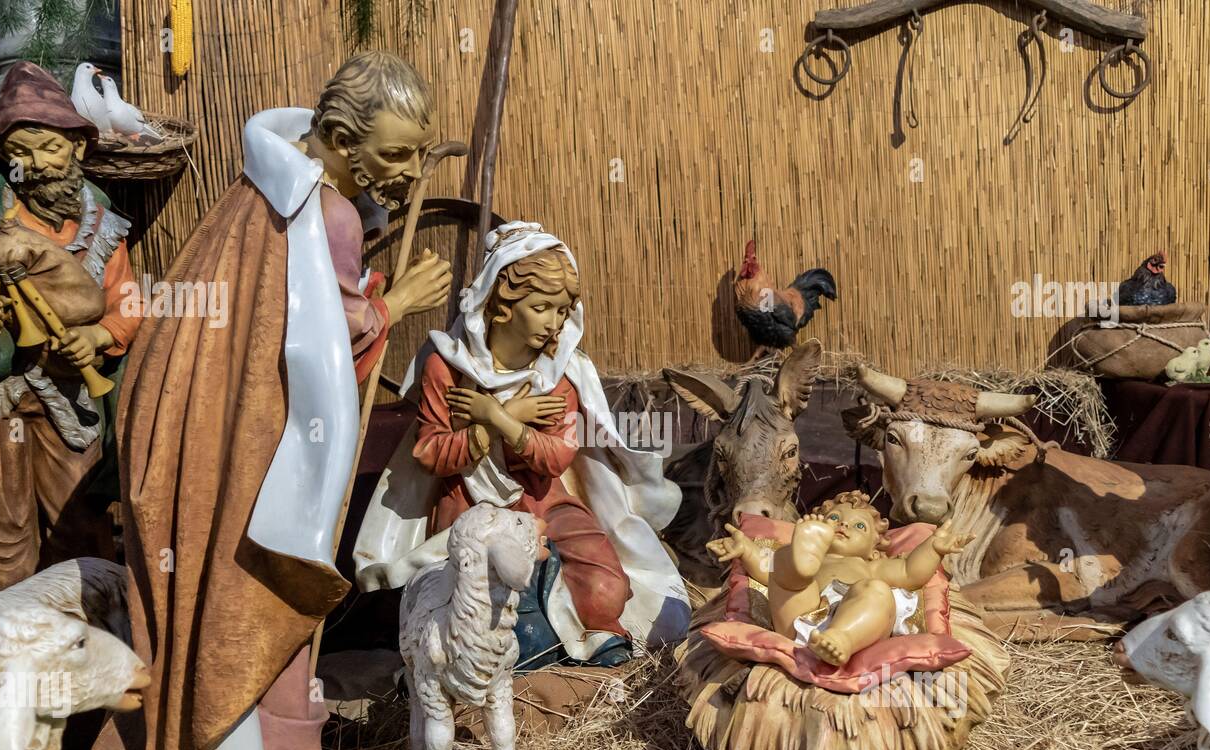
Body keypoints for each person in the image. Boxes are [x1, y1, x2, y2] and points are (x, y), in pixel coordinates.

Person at [74, 52, 452, 750]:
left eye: (420, 155)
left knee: (203, 598)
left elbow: (283, 306)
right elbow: (322, 338)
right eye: (394, 156)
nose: (411, 173)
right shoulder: (327, 215)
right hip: (251, 452)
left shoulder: (264, 190)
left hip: (192, 433)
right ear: (343, 140)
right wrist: (397, 304)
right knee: (267, 593)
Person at [355, 222, 689, 662]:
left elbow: (556, 457)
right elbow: (432, 453)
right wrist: (496, 426)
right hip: (471, 503)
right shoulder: (447, 366)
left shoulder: (560, 373)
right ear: (501, 304)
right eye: (542, 307)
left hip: (543, 498)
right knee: (485, 603)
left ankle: (593, 643)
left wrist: (497, 417)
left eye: (562, 311)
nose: (554, 324)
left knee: (608, 586)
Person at [0, 61, 142, 595]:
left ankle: (83, 644)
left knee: (79, 526)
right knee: (0, 538)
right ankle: (2, 650)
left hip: (69, 398)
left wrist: (98, 335)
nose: (36, 164)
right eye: (20, 150)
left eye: (50, 147)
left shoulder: (102, 224)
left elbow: (129, 304)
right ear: (1, 155)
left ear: (78, 149)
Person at [707, 491, 971, 664]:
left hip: (858, 618)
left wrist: (933, 547)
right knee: (784, 574)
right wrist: (746, 550)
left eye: (859, 526)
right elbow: (766, 570)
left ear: (874, 548)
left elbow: (911, 573)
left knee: (876, 591)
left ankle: (841, 638)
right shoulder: (818, 560)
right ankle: (800, 558)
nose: (844, 525)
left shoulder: (872, 567)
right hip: (803, 617)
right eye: (834, 518)